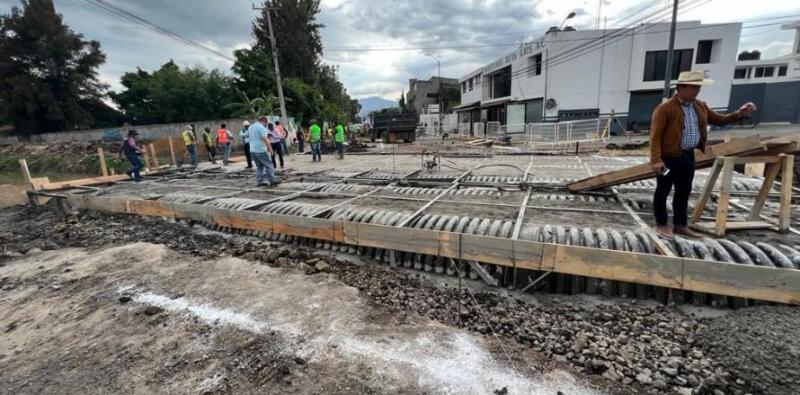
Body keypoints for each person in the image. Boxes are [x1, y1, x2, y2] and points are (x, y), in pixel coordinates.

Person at [650, 70, 756, 240]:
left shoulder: (700, 106)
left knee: (683, 191)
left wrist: (739, 114)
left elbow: (719, 120)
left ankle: (680, 225)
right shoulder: (665, 108)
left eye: (698, 87)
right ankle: (662, 224)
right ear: (681, 88)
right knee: (663, 190)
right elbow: (655, 136)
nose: (697, 91)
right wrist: (656, 159)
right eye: (693, 87)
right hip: (668, 160)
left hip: (687, 157)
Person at [248, 116, 280, 187]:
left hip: (252, 150)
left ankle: (259, 182)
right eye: (266, 124)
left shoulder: (250, 127)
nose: (266, 126)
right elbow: (265, 139)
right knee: (269, 165)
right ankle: (272, 181)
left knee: (259, 166)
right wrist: (270, 149)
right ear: (264, 122)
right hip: (260, 150)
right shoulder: (261, 128)